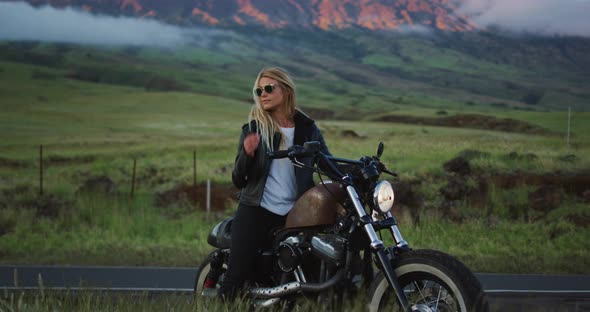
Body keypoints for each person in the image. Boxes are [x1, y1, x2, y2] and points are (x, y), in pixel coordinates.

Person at [219, 67, 330, 298]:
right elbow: (238, 179)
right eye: (259, 91)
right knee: (236, 275)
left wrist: (356, 171)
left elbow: (327, 162)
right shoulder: (254, 129)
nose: (263, 94)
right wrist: (247, 155)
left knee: (312, 273)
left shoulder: (307, 128)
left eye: (269, 88)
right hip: (257, 209)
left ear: (286, 90)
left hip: (297, 213)